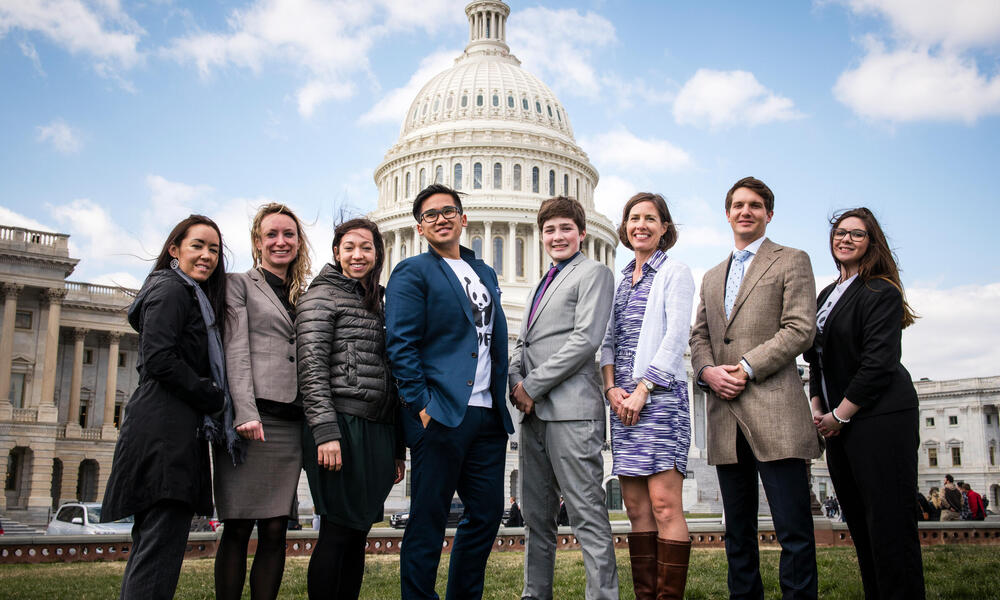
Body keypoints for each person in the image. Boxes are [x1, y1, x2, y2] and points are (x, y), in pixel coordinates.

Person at [689, 177, 821, 600]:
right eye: (738, 205)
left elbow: (800, 329)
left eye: (755, 205)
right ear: (727, 213)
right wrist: (707, 371)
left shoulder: (791, 260)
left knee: (793, 532)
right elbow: (700, 337)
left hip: (775, 412)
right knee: (738, 534)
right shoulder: (711, 276)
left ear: (769, 214)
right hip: (725, 418)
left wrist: (745, 368)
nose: (746, 212)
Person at [385, 184, 515, 599]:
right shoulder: (413, 271)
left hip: (486, 415)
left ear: (463, 218)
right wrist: (422, 407)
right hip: (441, 412)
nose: (440, 219)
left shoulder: (485, 274)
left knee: (487, 515)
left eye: (448, 211)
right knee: (428, 518)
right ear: (420, 228)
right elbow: (401, 344)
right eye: (430, 215)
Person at [102, 215, 234, 599]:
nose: (207, 255)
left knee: (152, 552)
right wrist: (214, 395)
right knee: (158, 554)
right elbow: (159, 359)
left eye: (214, 249)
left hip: (168, 431)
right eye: (198, 245)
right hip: (164, 436)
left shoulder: (185, 292)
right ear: (174, 250)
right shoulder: (173, 290)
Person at [807, 207, 924, 599]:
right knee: (861, 525)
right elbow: (815, 358)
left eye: (857, 234)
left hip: (880, 418)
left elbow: (879, 362)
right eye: (840, 232)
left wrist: (839, 414)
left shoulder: (881, 290)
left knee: (890, 528)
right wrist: (816, 405)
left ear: (871, 243)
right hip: (841, 423)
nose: (846, 239)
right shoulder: (827, 294)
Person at [508, 195, 618, 600]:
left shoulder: (595, 273)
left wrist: (530, 387)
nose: (557, 236)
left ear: (582, 233)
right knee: (537, 519)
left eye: (565, 228)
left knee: (588, 515)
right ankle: (535, 594)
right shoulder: (542, 282)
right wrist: (516, 382)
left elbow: (585, 340)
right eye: (550, 230)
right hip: (533, 416)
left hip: (572, 414)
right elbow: (522, 344)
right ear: (541, 236)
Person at [297, 218, 406, 599]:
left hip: (376, 428)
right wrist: (326, 433)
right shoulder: (320, 297)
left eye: (366, 247)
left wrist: (396, 449)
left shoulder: (379, 300)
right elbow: (311, 371)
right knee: (337, 532)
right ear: (336, 253)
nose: (358, 255)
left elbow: (390, 376)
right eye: (349, 247)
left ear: (378, 253)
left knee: (358, 533)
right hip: (340, 426)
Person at [213, 203, 311, 600]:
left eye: (288, 234)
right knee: (237, 525)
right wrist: (244, 412)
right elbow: (234, 350)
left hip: (291, 423)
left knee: (275, 530)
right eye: (271, 234)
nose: (280, 241)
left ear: (298, 241)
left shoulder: (303, 295)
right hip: (253, 420)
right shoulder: (237, 284)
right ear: (257, 242)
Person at [600, 192, 695, 600]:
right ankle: (645, 595)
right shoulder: (621, 280)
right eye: (634, 218)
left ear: (665, 228)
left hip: (658, 402)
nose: (641, 225)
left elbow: (676, 337)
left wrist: (642, 389)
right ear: (624, 228)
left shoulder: (674, 272)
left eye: (650, 219)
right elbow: (607, 342)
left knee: (664, 506)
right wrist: (611, 389)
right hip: (622, 406)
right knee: (637, 510)